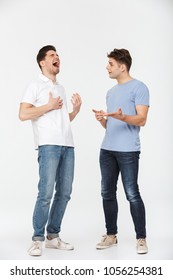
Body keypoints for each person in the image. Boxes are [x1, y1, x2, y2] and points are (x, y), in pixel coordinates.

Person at [19, 45, 82, 256]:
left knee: (64, 193)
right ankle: (37, 239)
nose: (57, 57)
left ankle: (53, 236)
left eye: (57, 55)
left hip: (68, 145)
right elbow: (23, 114)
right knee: (45, 193)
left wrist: (75, 111)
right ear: (42, 62)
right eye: (52, 55)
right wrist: (48, 106)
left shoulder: (61, 88)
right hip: (48, 145)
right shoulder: (34, 85)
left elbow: (63, 118)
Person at [93, 48, 149, 254]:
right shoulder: (111, 92)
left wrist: (121, 116)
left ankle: (141, 238)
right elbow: (111, 126)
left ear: (122, 67)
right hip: (107, 149)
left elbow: (141, 119)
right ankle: (111, 235)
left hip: (128, 152)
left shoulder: (140, 87)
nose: (107, 67)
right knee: (107, 193)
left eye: (110, 64)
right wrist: (104, 120)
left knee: (132, 194)